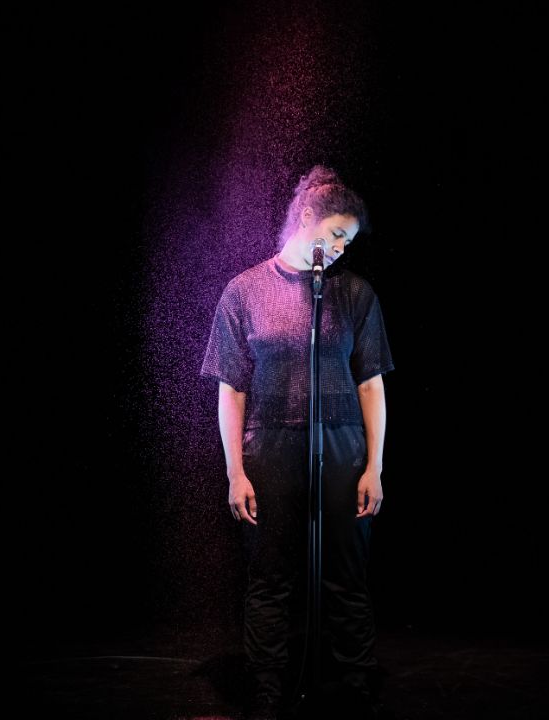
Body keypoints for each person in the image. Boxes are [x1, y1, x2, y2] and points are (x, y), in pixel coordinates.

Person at [200, 165, 393, 719]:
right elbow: (232, 389)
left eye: (348, 241)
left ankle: (355, 686)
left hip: (342, 444)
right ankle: (267, 690)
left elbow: (371, 384)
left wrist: (374, 466)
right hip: (270, 447)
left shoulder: (354, 294)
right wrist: (235, 470)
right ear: (306, 217)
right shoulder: (245, 290)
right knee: (270, 575)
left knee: (346, 575)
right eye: (335, 234)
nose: (340, 248)